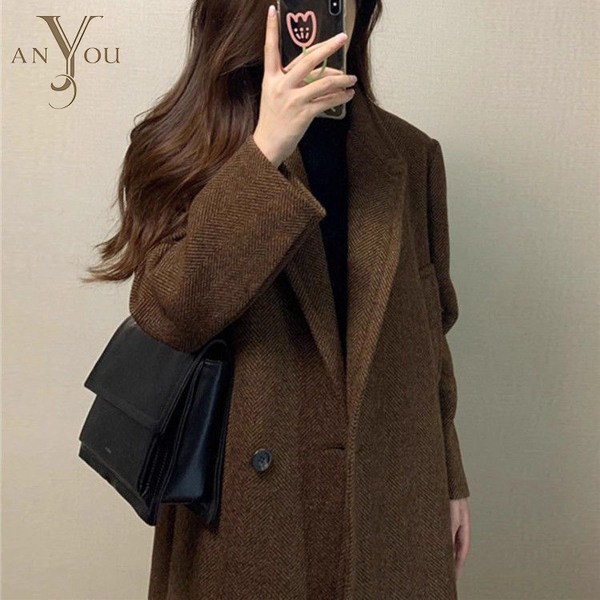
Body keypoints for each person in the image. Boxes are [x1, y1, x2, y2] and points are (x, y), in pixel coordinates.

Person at [85, 1, 471, 598]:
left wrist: (448, 479)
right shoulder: (186, 142)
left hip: (392, 500)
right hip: (248, 514)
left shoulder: (409, 155)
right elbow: (170, 313)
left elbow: (429, 336)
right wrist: (265, 151)